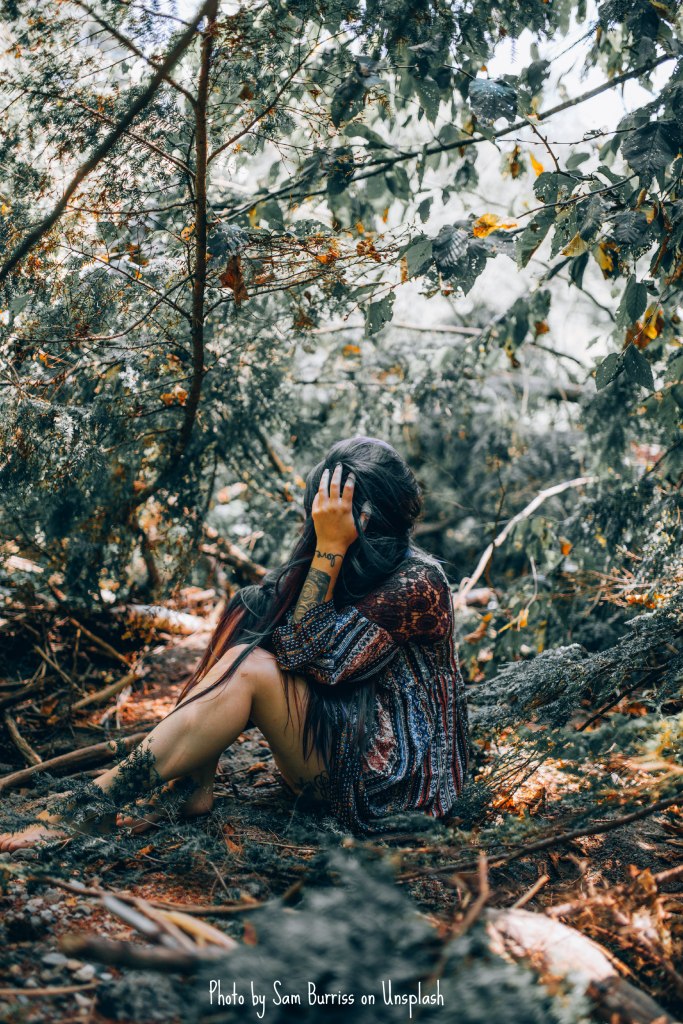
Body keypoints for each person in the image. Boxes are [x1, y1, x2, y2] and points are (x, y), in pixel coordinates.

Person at [0, 436, 469, 850]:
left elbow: (304, 654)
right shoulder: (355, 565)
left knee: (253, 667)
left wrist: (330, 545)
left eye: (344, 517)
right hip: (342, 746)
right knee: (250, 606)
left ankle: (89, 807)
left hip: (391, 786)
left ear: (365, 517)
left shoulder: (418, 583)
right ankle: (192, 783)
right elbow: (282, 630)